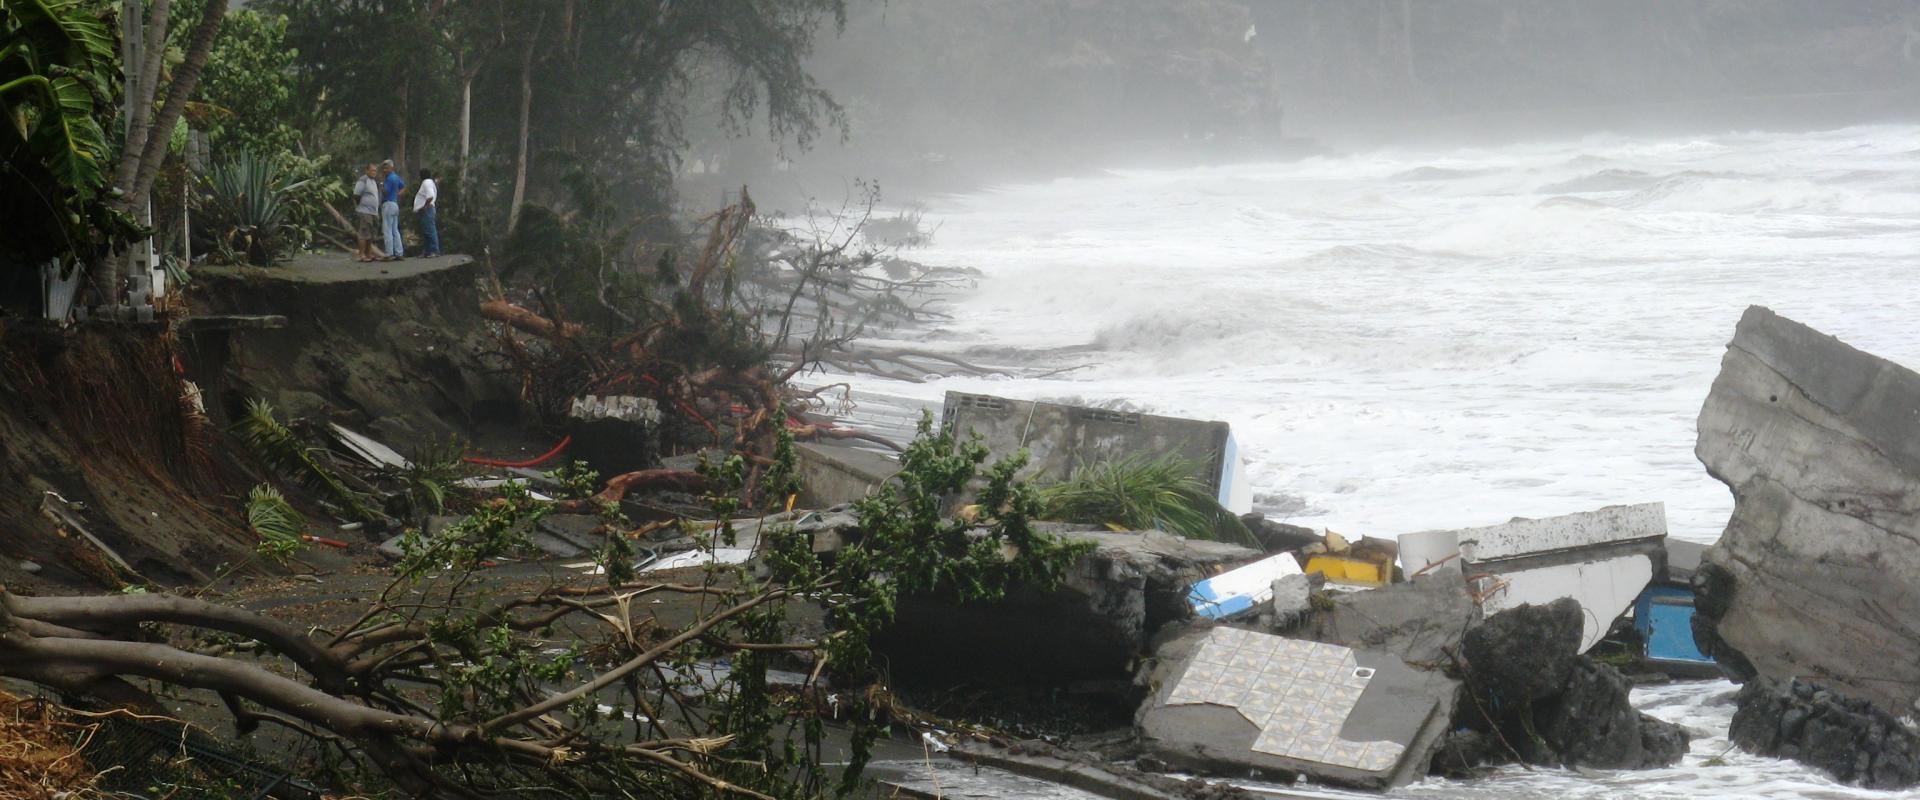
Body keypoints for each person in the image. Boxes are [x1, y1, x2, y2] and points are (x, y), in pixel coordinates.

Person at [352, 164, 382, 262]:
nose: (374, 173)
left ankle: (368, 254)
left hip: (374, 211)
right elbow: (356, 194)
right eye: (372, 170)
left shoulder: (373, 181)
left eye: (375, 171)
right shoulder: (363, 180)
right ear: (367, 170)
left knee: (371, 234)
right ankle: (361, 255)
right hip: (365, 211)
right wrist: (360, 206)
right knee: (364, 233)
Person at [379, 159, 407, 261]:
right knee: (395, 230)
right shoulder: (396, 177)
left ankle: (389, 253)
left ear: (391, 168)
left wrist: (381, 184)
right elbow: (404, 188)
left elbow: (385, 192)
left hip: (388, 204)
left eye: (386, 168)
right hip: (395, 204)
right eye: (384, 168)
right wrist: (397, 194)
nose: (384, 170)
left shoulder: (389, 179)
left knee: (387, 229)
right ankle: (399, 253)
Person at [413, 168, 440, 258]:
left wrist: (425, 206)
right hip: (426, 209)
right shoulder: (430, 182)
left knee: (430, 230)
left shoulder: (426, 182)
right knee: (426, 231)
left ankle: (434, 250)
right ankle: (427, 251)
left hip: (427, 210)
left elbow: (430, 196)